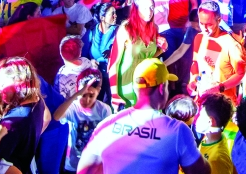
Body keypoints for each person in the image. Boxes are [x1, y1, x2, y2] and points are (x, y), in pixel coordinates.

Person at [76, 58, 210, 174]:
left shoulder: (106, 125)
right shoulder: (177, 131)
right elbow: (201, 172)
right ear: (161, 88)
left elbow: (84, 171)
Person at [0, 56, 51, 173]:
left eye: (1, 85)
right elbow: (47, 118)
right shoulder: (37, 99)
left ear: (19, 81)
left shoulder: (13, 122)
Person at [108, 0, 164, 109]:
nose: (149, 12)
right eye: (144, 8)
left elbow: (147, 58)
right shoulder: (126, 28)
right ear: (136, 8)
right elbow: (114, 63)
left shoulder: (154, 28)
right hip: (126, 87)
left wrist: (161, 50)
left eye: (151, 7)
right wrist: (114, 94)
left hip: (145, 86)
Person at [52, 68, 111, 174]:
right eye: (83, 95)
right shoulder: (73, 108)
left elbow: (107, 138)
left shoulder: (104, 110)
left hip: (94, 165)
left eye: (91, 96)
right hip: (73, 165)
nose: (87, 100)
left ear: (98, 90)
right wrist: (76, 95)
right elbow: (56, 116)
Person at [188, 1, 246, 102]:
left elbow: (241, 74)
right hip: (202, 100)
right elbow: (195, 62)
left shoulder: (232, 44)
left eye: (209, 24)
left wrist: (220, 87)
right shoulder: (199, 38)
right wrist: (194, 80)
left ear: (219, 21)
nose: (204, 28)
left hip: (224, 104)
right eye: (201, 23)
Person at [194, 93, 235, 174]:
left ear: (210, 121)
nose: (196, 118)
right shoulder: (210, 138)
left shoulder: (216, 160)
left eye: (201, 115)